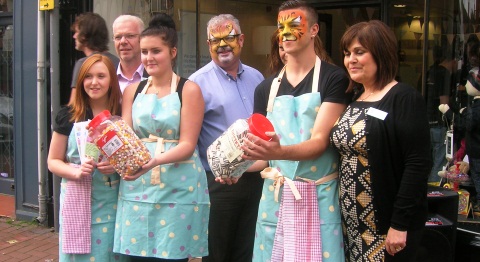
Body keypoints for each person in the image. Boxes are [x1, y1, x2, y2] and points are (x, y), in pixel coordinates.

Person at [242, 1, 350, 261]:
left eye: (294, 24)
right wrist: (236, 167)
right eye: (281, 26)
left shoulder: (333, 79)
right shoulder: (265, 89)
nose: (286, 32)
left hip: (318, 194)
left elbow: (319, 142)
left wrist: (278, 150)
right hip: (275, 197)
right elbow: (264, 157)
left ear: (314, 30)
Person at [330, 20, 431, 261]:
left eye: (359, 52)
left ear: (381, 53)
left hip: (385, 227)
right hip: (352, 223)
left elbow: (418, 164)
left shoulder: (403, 97)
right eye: (347, 54)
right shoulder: (355, 96)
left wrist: (399, 224)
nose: (350, 60)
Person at [113, 13, 209, 261]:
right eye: (144, 52)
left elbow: (188, 145)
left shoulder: (188, 90)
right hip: (138, 185)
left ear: (173, 52)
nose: (149, 58)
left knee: (172, 255)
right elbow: (127, 137)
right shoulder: (133, 91)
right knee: (137, 255)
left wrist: (154, 161)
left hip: (179, 186)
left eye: (156, 51)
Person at [188, 14, 265, 262]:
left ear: (241, 40)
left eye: (228, 37)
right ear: (208, 44)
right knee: (217, 253)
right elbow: (191, 139)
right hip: (218, 184)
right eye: (215, 40)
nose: (222, 45)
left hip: (256, 180)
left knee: (249, 250)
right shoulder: (196, 84)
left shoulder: (258, 78)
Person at [47, 54, 127, 262]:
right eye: (88, 77)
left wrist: (116, 164)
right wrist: (76, 171)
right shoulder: (68, 115)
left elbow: (132, 158)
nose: (94, 82)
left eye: (101, 76)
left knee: (110, 254)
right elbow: (53, 161)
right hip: (76, 195)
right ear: (81, 80)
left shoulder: (122, 113)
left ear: (112, 80)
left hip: (112, 202)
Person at [68, 12, 120, 105]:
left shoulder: (83, 63)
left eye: (76, 32)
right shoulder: (117, 61)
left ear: (84, 35)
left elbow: (74, 104)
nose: (74, 36)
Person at [426, 45, 456, 183]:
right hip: (439, 123)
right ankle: (434, 194)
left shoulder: (429, 71)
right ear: (452, 60)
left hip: (427, 121)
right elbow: (444, 102)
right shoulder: (444, 74)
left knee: (430, 162)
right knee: (439, 164)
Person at [268, 30, 332, 75]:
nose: (289, 53)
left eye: (295, 48)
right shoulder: (271, 84)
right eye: (282, 48)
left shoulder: (331, 77)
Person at [112, 15, 148, 93]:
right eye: (118, 37)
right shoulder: (107, 77)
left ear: (142, 39)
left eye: (130, 36)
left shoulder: (156, 76)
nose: (123, 41)